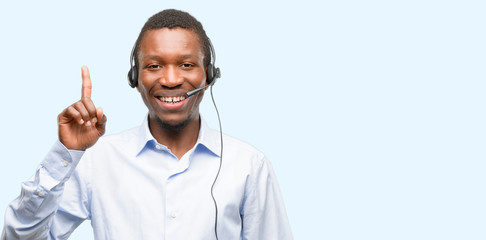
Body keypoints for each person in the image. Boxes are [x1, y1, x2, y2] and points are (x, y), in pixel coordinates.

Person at [2, 9, 292, 240]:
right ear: (135, 79)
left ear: (209, 76)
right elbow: (20, 238)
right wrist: (66, 154)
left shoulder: (249, 166)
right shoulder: (97, 161)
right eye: (154, 66)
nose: (170, 79)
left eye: (187, 64)